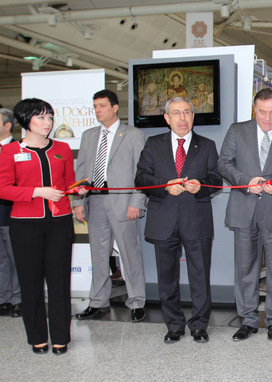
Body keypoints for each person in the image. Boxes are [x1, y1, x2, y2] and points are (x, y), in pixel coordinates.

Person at [0, 98, 87, 355]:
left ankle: (61, 337)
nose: (47, 123)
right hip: (25, 225)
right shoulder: (8, 151)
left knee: (59, 281)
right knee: (31, 283)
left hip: (59, 222)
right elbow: (4, 188)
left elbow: (68, 182)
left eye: (50, 117)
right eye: (41, 117)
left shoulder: (60, 148)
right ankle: (37, 337)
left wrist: (77, 190)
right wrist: (38, 192)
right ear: (26, 120)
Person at [135, 97, 222, 344]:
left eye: (187, 112)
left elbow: (216, 180)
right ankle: (174, 325)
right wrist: (164, 187)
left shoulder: (206, 145)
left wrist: (200, 187)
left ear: (193, 117)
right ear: (167, 118)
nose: (182, 118)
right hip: (163, 220)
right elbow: (140, 178)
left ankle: (199, 326)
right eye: (176, 113)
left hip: (197, 219)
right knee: (167, 277)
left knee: (200, 276)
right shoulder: (153, 144)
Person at [218, 88, 272, 342]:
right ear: (254, 109)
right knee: (245, 269)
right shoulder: (237, 131)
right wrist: (244, 181)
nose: (268, 118)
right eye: (263, 112)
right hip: (243, 209)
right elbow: (224, 163)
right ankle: (248, 320)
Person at [73, 90, 148, 323]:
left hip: (124, 202)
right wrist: (78, 202)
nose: (98, 110)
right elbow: (82, 171)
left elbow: (141, 172)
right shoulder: (88, 136)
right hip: (95, 200)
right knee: (98, 254)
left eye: (102, 105)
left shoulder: (134, 135)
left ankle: (137, 302)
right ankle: (98, 301)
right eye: (95, 106)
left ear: (115, 108)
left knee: (130, 254)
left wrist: (137, 201)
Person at [0, 108, 21, 318]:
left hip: (11, 212)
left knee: (16, 258)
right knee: (0, 260)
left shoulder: (19, 149)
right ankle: (3, 299)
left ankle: (18, 299)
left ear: (7, 125)